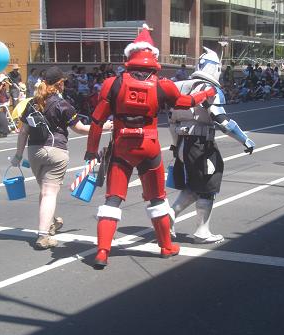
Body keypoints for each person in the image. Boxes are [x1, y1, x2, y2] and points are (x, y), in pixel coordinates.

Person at [84, 24, 216, 268]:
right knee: (157, 199)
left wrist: (91, 151)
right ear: (153, 57)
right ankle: (166, 246)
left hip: (122, 146)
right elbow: (185, 102)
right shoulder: (162, 85)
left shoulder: (112, 83)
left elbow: (96, 121)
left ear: (130, 57)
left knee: (112, 199)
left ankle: (103, 251)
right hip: (149, 146)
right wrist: (205, 92)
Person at [168, 47, 256, 243]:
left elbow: (172, 121)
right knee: (208, 186)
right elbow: (223, 121)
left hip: (183, 142)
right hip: (200, 144)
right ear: (215, 68)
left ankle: (167, 217)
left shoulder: (180, 85)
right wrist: (245, 140)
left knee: (193, 185)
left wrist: (175, 146)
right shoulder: (208, 89)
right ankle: (202, 231)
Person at [10, 66, 90, 249]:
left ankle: (51, 222)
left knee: (45, 192)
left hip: (35, 152)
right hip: (56, 151)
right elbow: (79, 128)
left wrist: (18, 155)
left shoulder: (32, 103)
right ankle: (43, 236)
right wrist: (106, 127)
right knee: (49, 193)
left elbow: (23, 132)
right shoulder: (63, 105)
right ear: (60, 84)